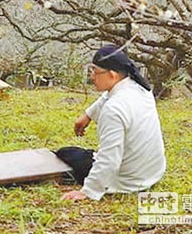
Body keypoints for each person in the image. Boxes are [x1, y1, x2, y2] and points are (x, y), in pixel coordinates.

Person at [58, 44, 166, 201]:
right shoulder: (141, 89)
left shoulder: (113, 109)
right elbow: (107, 96)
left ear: (113, 75)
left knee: (67, 153)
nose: (92, 76)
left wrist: (87, 191)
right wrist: (87, 115)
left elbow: (110, 158)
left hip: (128, 180)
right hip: (152, 172)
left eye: (95, 71)